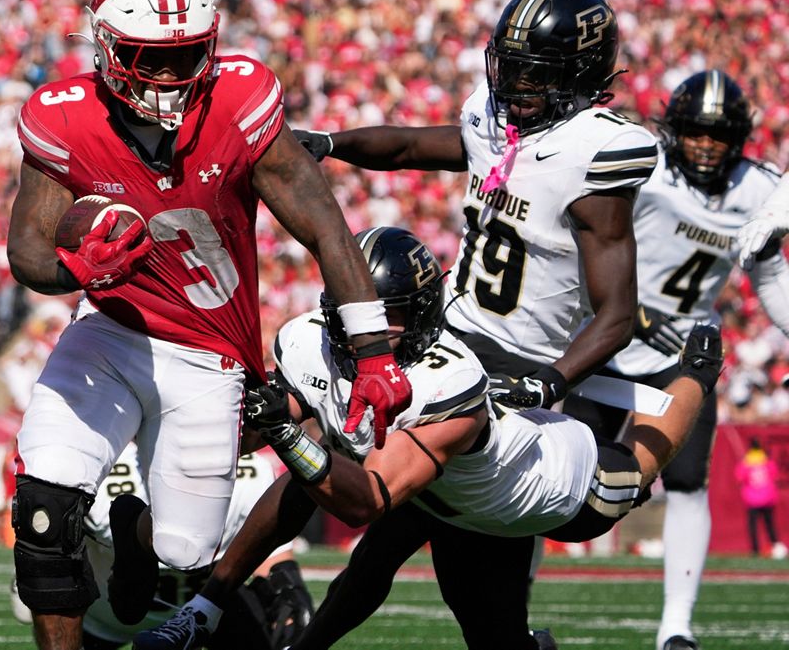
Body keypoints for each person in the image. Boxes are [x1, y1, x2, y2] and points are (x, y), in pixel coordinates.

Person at [6, 0, 411, 650]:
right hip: (111, 327)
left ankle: (133, 533)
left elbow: (323, 223)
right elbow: (28, 252)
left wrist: (374, 350)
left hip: (208, 351)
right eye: (146, 56)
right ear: (106, 46)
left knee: (184, 550)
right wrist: (80, 266)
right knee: (45, 507)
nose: (166, 75)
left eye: (184, 55)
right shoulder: (62, 115)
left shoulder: (239, 97)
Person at [135, 227, 723, 650]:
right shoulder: (310, 338)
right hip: (433, 489)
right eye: (353, 310)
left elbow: (363, 500)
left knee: (636, 468)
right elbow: (277, 420)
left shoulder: (447, 382)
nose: (365, 330)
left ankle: (697, 374)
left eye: (383, 316)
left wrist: (285, 432)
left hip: (544, 485)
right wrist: (233, 423)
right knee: (360, 551)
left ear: (419, 319)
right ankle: (204, 609)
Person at [292, 0, 655, 647]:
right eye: (508, 66)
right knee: (397, 537)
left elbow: (617, 316)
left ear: (579, 77)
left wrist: (551, 378)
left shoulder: (592, 152)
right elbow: (405, 148)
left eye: (532, 74)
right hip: (450, 341)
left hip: (512, 374)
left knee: (454, 577)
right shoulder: (498, 124)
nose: (512, 85)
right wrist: (331, 141)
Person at [560, 69, 789, 650]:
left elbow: (771, 275)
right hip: (606, 339)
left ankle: (676, 629)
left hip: (684, 352)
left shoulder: (756, 189)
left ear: (738, 137)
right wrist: (628, 311)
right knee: (561, 476)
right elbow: (574, 245)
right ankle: (512, 615)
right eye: (695, 131)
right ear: (673, 128)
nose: (707, 144)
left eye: (718, 133)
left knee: (687, 483)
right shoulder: (644, 167)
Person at [11, 444, 314, 650]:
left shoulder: (248, 474)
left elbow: (273, 560)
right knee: (51, 594)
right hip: (104, 615)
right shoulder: (102, 484)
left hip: (207, 609)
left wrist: (286, 588)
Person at [735, 437, 784, 559]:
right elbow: (775, 475)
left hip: (752, 500)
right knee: (770, 525)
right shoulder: (766, 461)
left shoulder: (746, 462)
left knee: (753, 526)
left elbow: (739, 477)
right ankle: (775, 546)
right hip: (767, 497)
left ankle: (755, 550)